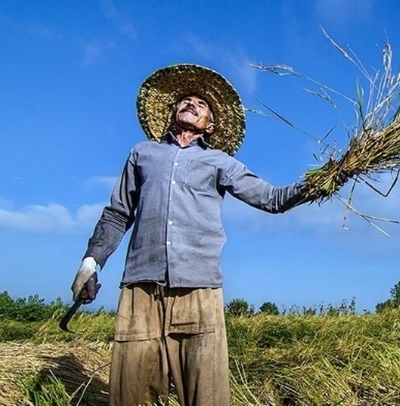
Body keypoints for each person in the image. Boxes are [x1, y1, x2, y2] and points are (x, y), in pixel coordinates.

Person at [70, 64, 307, 406]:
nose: (191, 102)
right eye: (185, 100)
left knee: (206, 394)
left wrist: (322, 181)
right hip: (141, 286)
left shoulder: (220, 162)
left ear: (210, 124)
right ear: (172, 113)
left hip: (198, 287)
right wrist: (91, 263)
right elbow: (118, 212)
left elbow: (272, 199)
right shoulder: (142, 153)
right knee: (130, 393)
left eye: (201, 103)